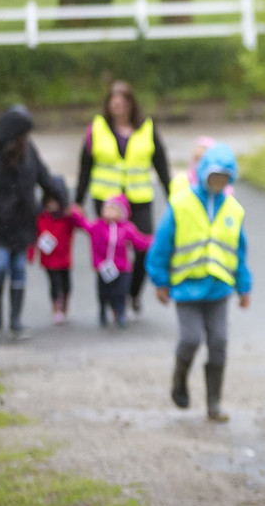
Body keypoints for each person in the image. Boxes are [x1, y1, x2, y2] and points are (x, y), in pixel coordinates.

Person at [148, 143, 251, 423]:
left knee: (219, 341)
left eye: (224, 177)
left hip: (218, 289)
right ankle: (179, 378)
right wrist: (160, 280)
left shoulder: (234, 209)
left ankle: (214, 403)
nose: (218, 182)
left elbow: (239, 251)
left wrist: (244, 286)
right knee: (191, 338)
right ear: (203, 173)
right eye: (214, 175)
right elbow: (161, 244)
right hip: (186, 289)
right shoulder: (180, 204)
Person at [74, 80, 172, 316]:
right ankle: (111, 296)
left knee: (144, 247)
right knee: (109, 248)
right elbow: (85, 166)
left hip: (138, 198)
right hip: (107, 200)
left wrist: (172, 195)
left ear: (131, 104)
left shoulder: (147, 127)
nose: (117, 106)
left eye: (122, 102)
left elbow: (160, 164)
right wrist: (78, 200)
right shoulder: (97, 128)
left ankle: (132, 292)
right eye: (113, 102)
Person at [0, 105, 66, 340]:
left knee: (19, 270)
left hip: (22, 223)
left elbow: (44, 177)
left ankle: (15, 321)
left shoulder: (28, 150)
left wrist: (61, 200)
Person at [80, 194, 153, 329]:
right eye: (107, 208)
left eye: (113, 208)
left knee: (121, 292)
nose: (109, 211)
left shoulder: (127, 228)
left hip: (122, 268)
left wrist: (157, 241)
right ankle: (103, 310)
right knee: (103, 293)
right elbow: (84, 225)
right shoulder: (98, 226)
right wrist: (74, 213)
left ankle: (120, 313)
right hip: (103, 268)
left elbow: (140, 241)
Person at [31, 186, 80, 324]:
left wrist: (72, 211)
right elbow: (33, 237)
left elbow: (81, 223)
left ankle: (64, 305)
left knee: (67, 286)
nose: (52, 205)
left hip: (64, 259)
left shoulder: (66, 218)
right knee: (55, 284)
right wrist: (30, 254)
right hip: (49, 261)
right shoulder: (40, 218)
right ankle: (57, 308)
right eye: (49, 202)